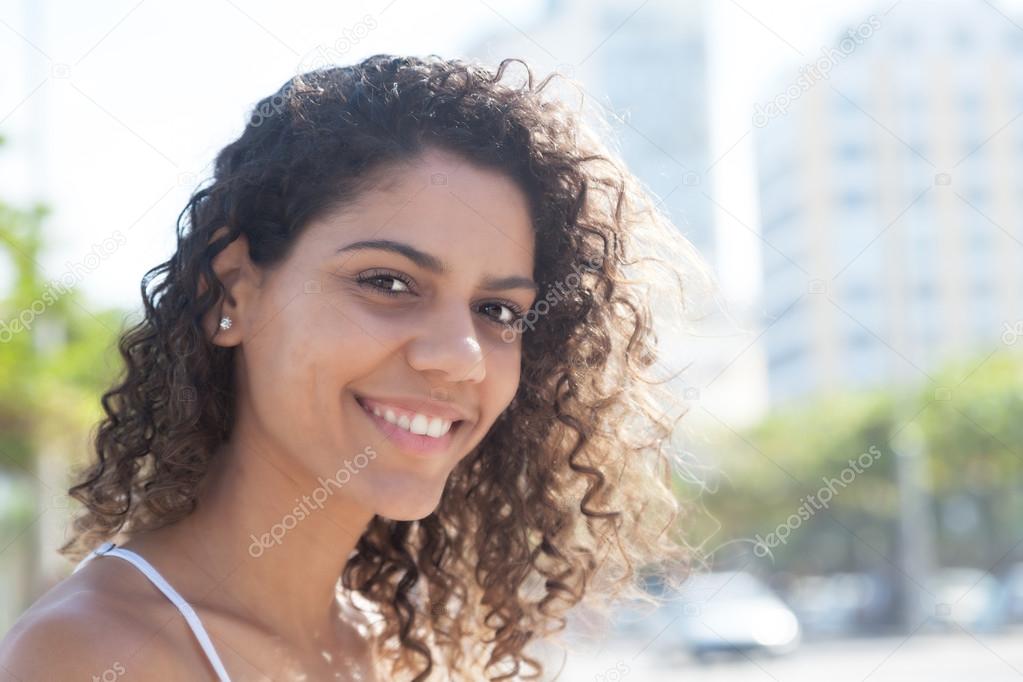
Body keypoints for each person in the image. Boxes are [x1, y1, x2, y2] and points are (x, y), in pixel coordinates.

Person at [0, 54, 706, 681]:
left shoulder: (391, 648)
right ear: (232, 292)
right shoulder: (90, 657)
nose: (458, 356)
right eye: (389, 283)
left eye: (496, 312)